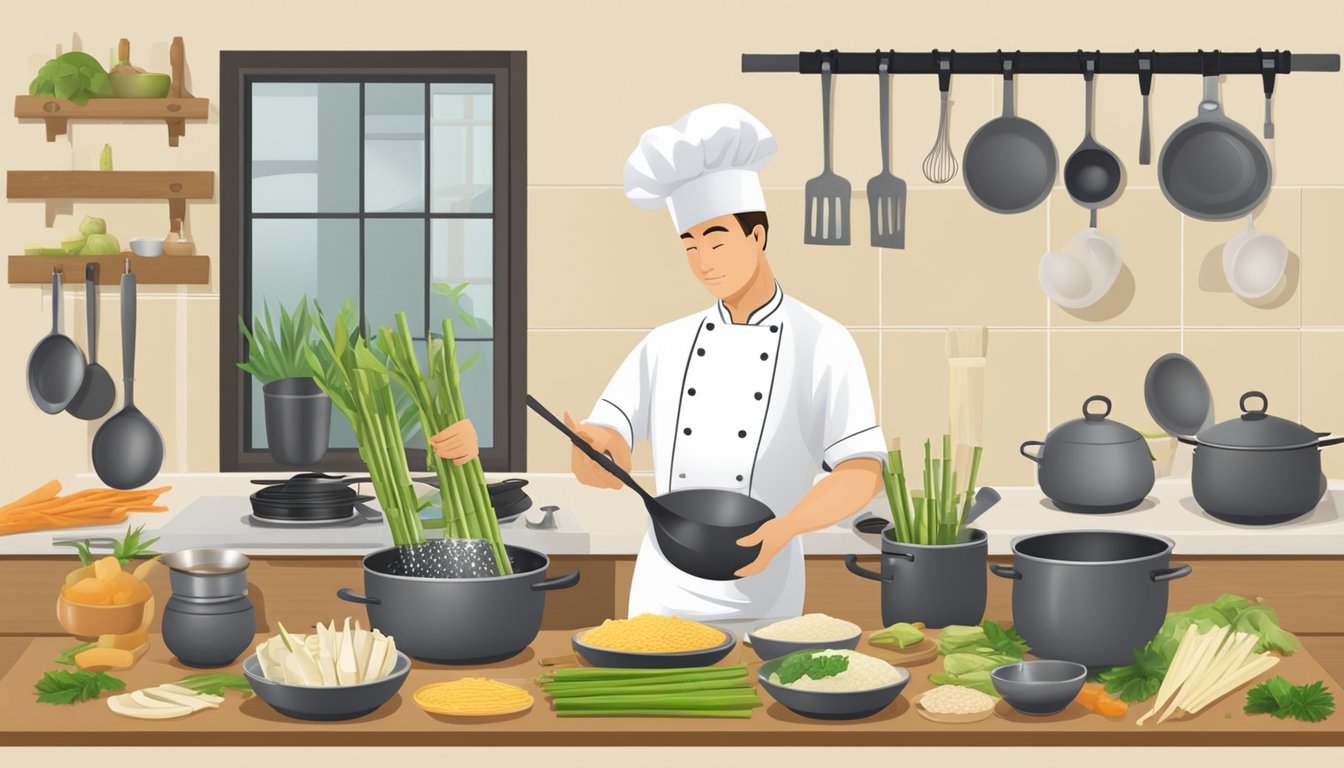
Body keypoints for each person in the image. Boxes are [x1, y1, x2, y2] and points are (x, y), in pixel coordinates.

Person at [565, 103, 886, 623]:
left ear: (757, 236)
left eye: (716, 239)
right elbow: (608, 440)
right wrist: (596, 455)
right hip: (660, 594)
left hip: (764, 593)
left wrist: (785, 528)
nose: (703, 261)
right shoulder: (665, 343)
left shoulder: (822, 340)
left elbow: (862, 471)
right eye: (689, 245)